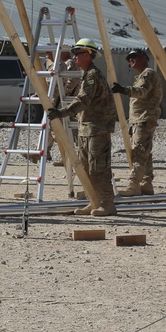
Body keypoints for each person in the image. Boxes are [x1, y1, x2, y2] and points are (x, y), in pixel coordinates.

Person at [46, 38, 117, 216]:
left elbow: (83, 100)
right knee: (85, 168)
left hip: (97, 129)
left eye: (78, 54)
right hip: (87, 128)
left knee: (98, 168)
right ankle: (93, 201)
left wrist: (61, 113)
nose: (74, 57)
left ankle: (107, 203)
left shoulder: (93, 76)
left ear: (87, 55)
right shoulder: (87, 75)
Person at [112, 48, 163, 196]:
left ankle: (134, 184)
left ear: (144, 58)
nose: (131, 60)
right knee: (145, 152)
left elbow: (142, 92)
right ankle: (146, 183)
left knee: (139, 153)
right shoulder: (142, 75)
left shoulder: (148, 73)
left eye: (134, 57)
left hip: (144, 119)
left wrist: (124, 90)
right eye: (129, 58)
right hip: (140, 120)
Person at [46, 50, 81, 166]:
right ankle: (64, 155)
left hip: (65, 101)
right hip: (60, 101)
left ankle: (71, 156)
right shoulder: (61, 63)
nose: (47, 55)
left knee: (66, 129)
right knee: (60, 128)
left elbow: (72, 80)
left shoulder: (69, 63)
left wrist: (64, 93)